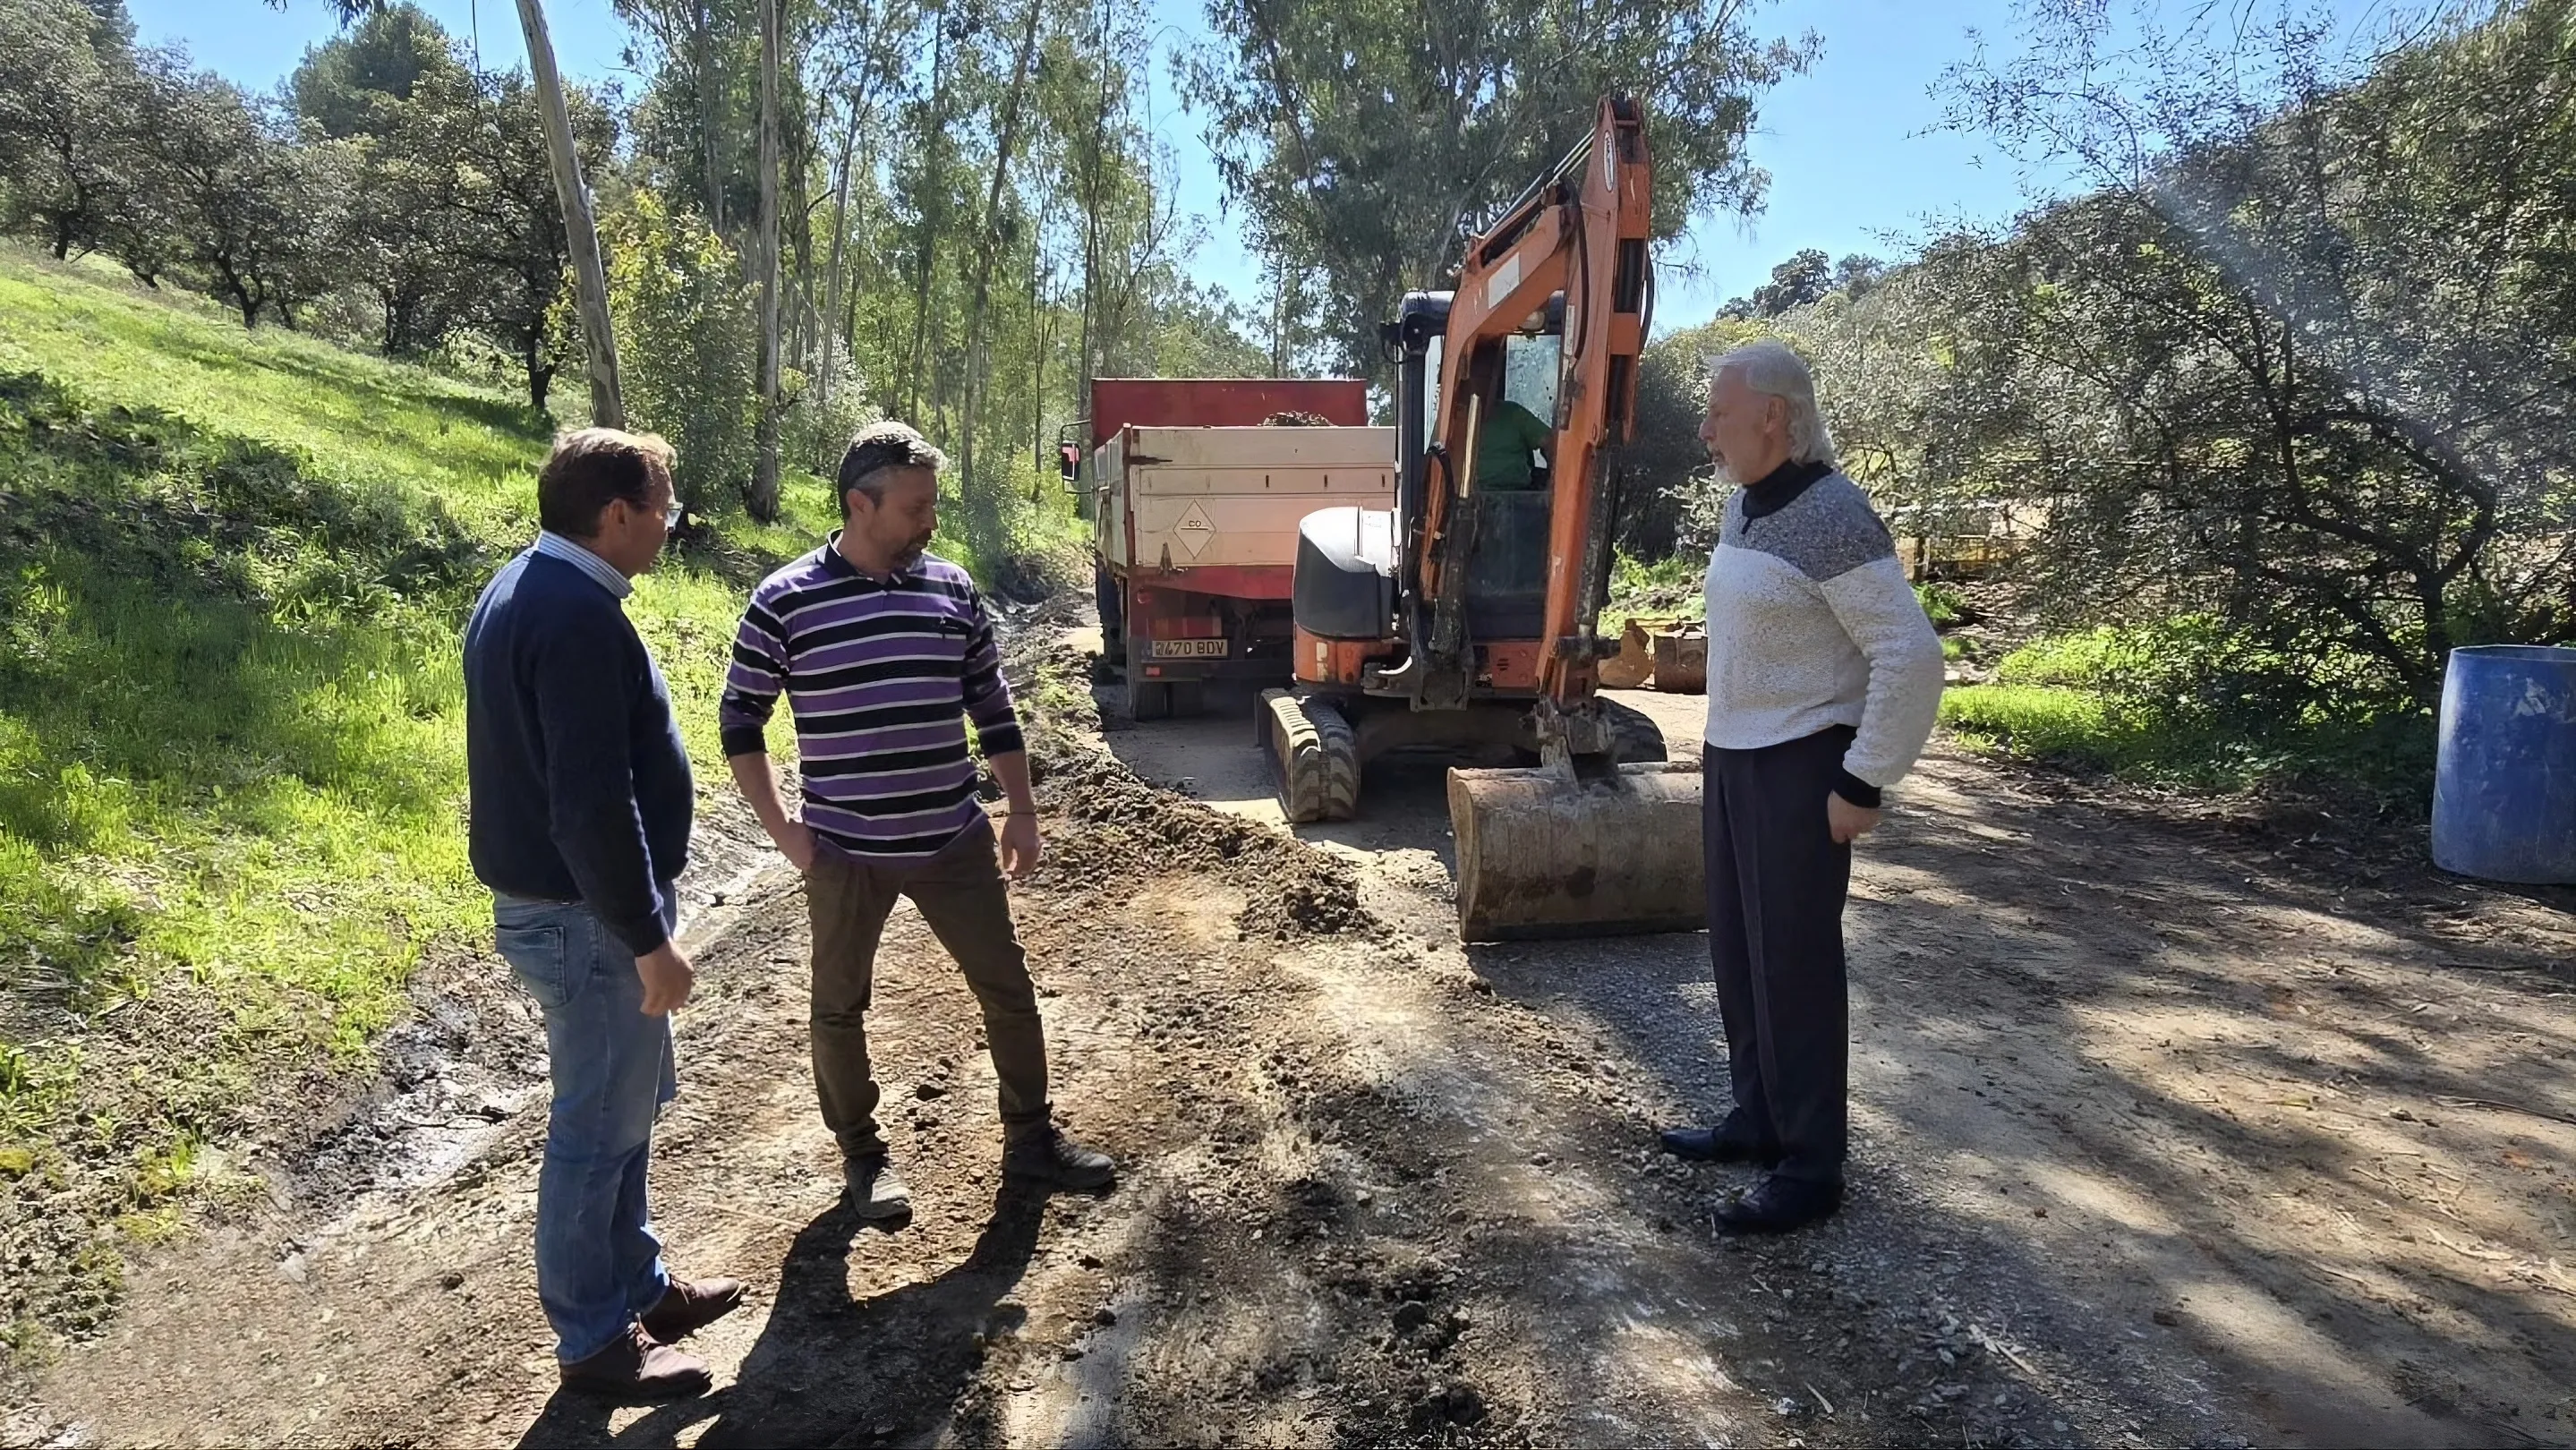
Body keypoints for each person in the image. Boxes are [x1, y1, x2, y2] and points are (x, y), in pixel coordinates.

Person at [720, 420, 1115, 1224]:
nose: (930, 521)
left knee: (1008, 989)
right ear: (860, 504)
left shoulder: (952, 588)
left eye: (932, 505)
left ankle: (1031, 1140)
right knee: (838, 1008)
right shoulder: (785, 600)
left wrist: (1022, 810)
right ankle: (863, 1158)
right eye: (914, 508)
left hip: (952, 839)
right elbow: (740, 722)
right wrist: (784, 830)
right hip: (845, 850)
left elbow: (992, 706)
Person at [464, 428, 742, 1398]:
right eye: (664, 507)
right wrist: (647, 937)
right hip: (587, 919)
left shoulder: (526, 587)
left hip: (575, 910)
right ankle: (592, 1342)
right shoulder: (573, 615)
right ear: (617, 514)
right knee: (594, 1130)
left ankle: (641, 1287)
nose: (671, 525)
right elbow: (589, 802)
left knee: (624, 1114)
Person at [1657, 340, 1944, 1234]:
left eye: (1719, 412)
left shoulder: (1832, 515)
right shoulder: (1745, 507)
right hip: (1734, 758)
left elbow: (1911, 655)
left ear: (1773, 416)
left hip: (1800, 767)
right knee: (1740, 955)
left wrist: (1864, 779)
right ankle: (1759, 1118)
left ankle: (1813, 1167)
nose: (1705, 430)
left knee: (1795, 967)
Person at [1474, 393, 1555, 490]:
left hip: (1518, 493)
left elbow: (1551, 443)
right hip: (1471, 495)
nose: (1479, 391)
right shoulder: (1458, 420)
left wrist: (1552, 481)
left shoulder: (1512, 412)